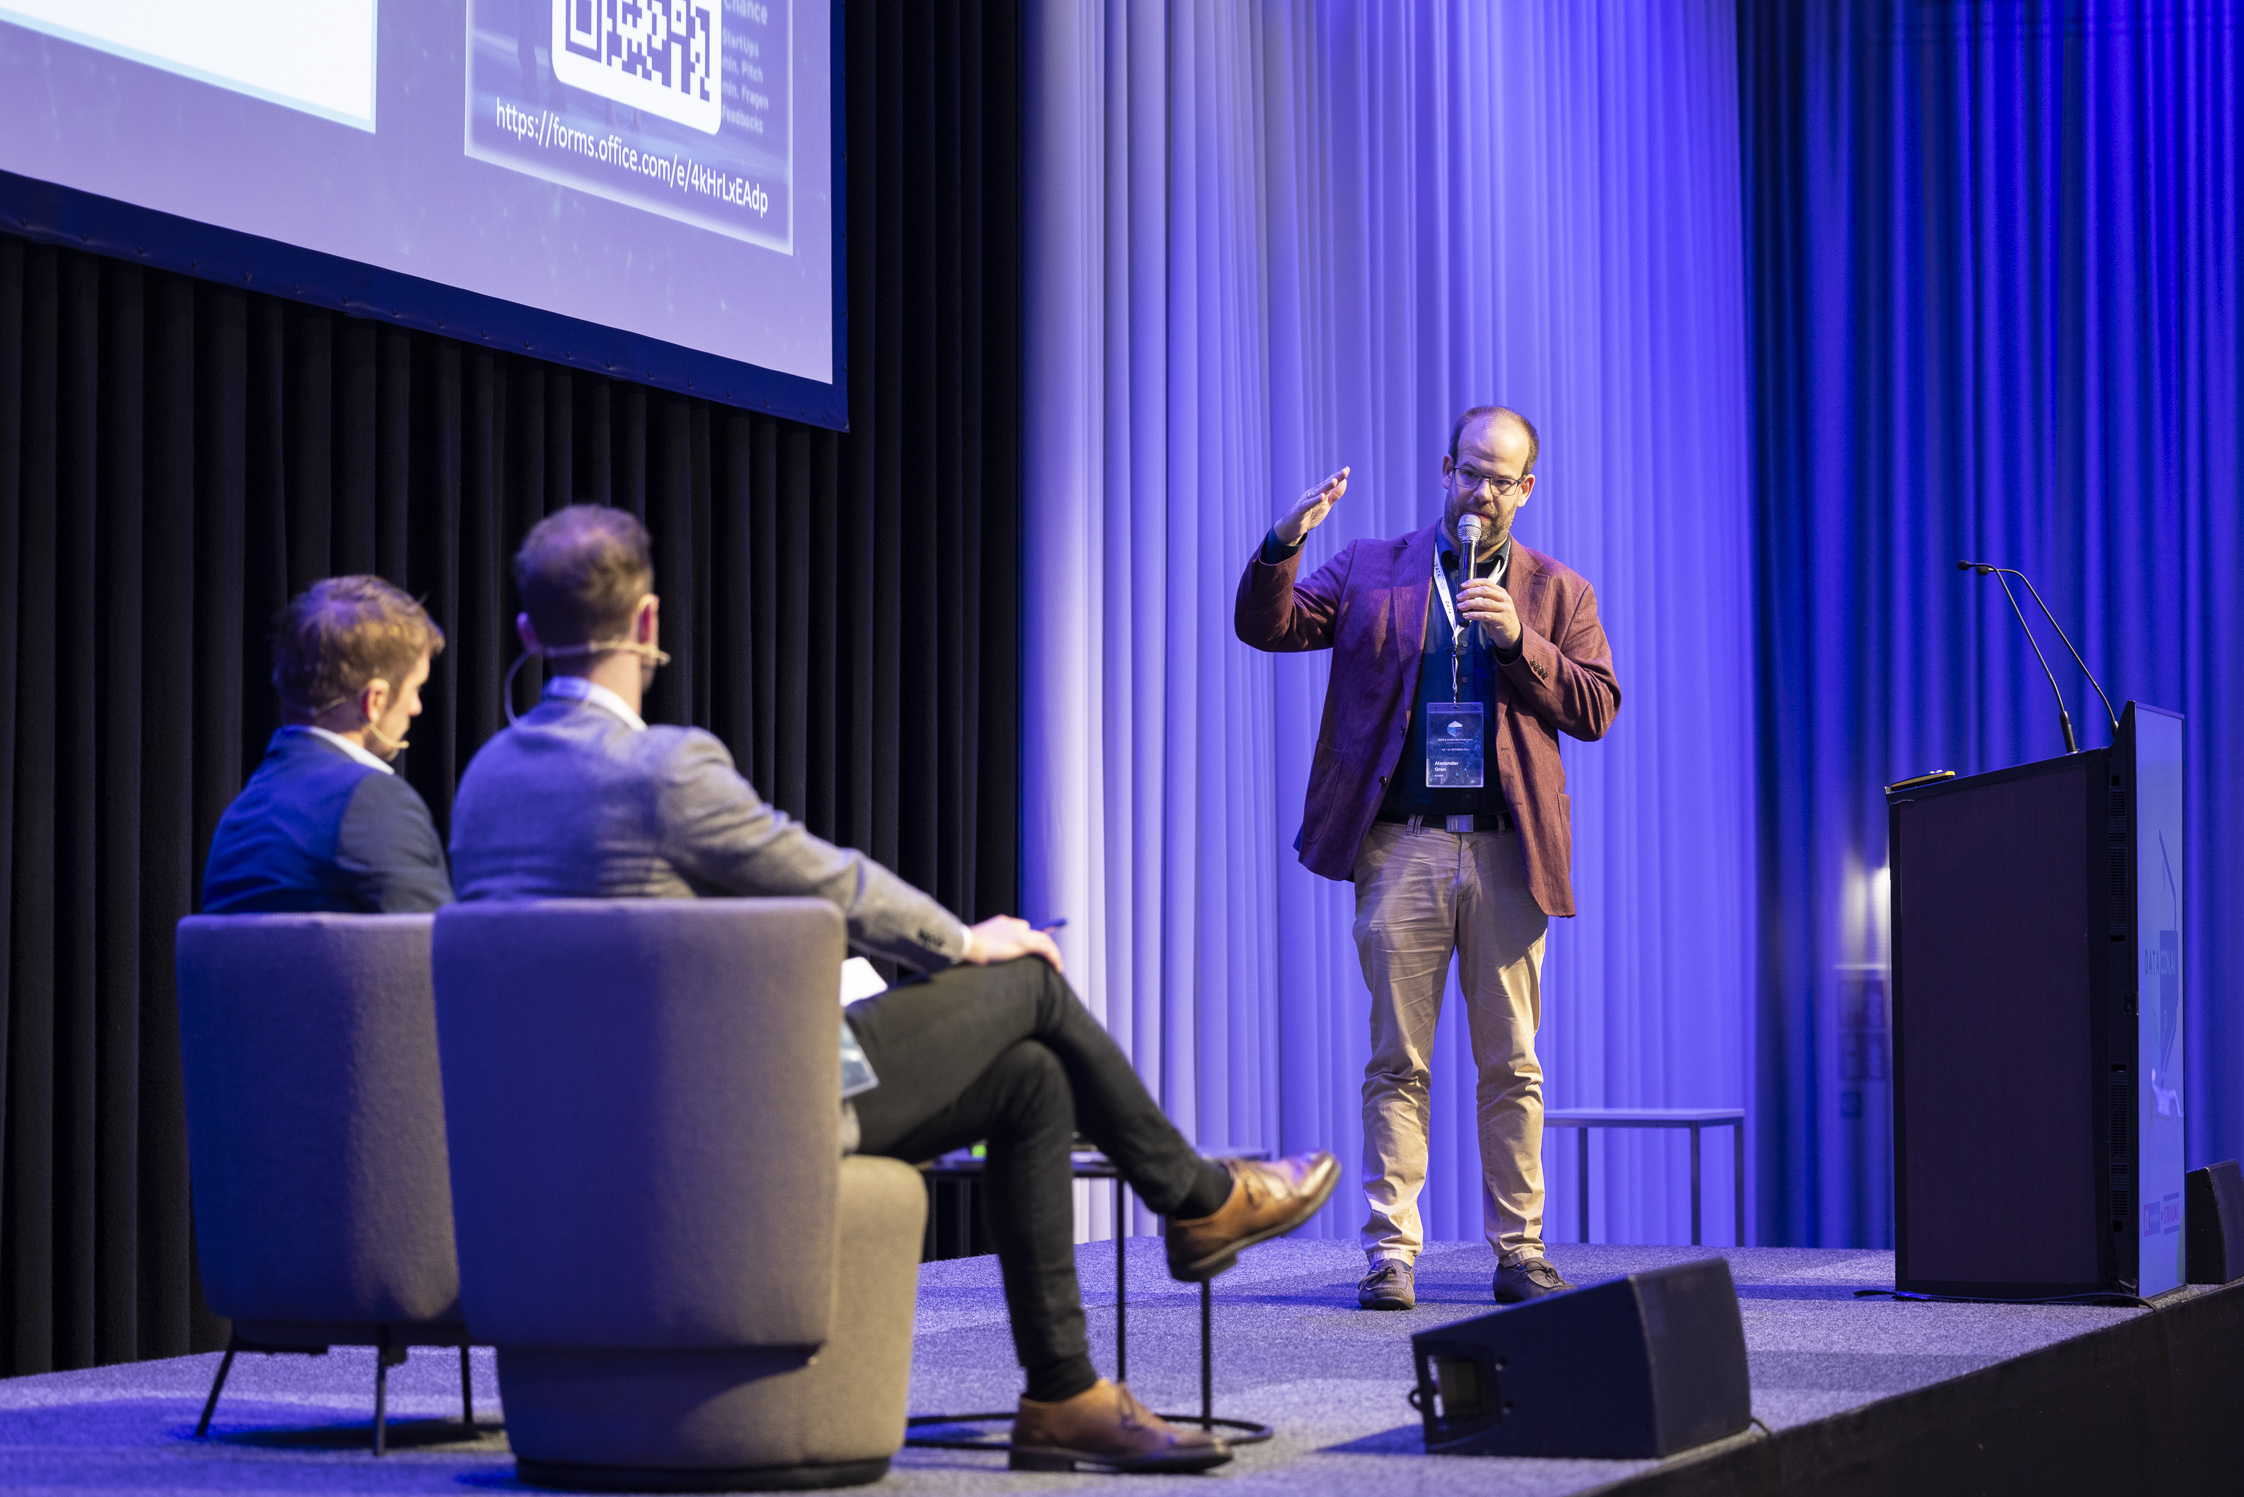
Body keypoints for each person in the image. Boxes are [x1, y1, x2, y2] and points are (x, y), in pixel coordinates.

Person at [448, 505, 1337, 1475]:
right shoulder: (664, 769)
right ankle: (1198, 1196)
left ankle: (1065, 1395)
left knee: (1032, 1080)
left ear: (530, 634)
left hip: (575, 1138)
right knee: (1030, 980)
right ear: (651, 623)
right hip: (724, 1130)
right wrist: (966, 938)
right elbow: (832, 879)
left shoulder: (485, 781)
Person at [1235, 406, 1620, 1312]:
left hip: (1504, 850)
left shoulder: (1557, 590)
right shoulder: (1375, 568)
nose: (1482, 492)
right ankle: (1389, 1252)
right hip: (1401, 844)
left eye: (1501, 479)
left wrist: (1517, 643)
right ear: (1445, 468)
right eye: (1469, 472)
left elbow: (1598, 705)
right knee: (1397, 1060)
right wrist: (1283, 539)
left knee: (1512, 1064)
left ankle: (1518, 1250)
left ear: (1527, 489)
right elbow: (1272, 623)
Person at [203, 576, 453, 914]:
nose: (416, 707)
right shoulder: (372, 802)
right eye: (415, 689)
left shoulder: (241, 812)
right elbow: (445, 956)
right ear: (375, 701)